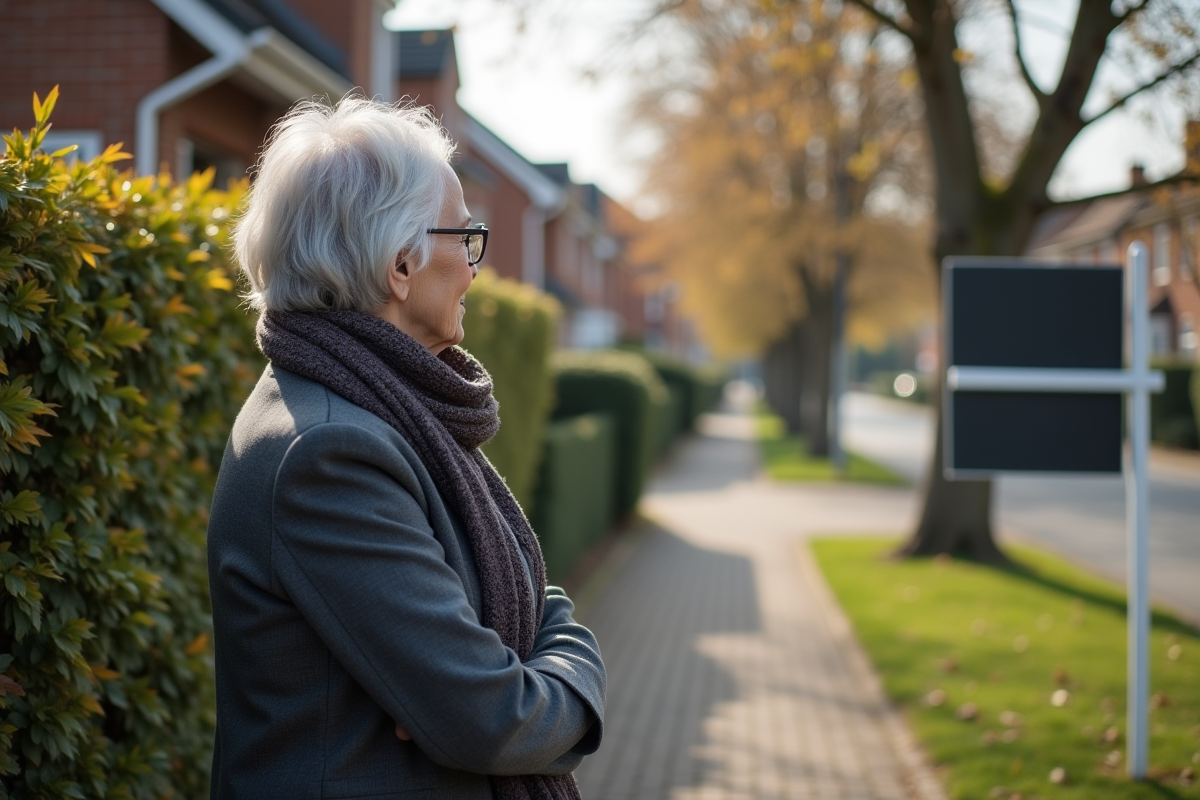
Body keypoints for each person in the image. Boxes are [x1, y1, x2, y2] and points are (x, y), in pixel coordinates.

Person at [206, 96, 605, 800]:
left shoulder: (386, 410)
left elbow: (530, 600)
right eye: (465, 236)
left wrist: (518, 659)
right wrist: (577, 680)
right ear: (399, 265)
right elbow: (489, 719)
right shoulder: (329, 453)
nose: (475, 268)